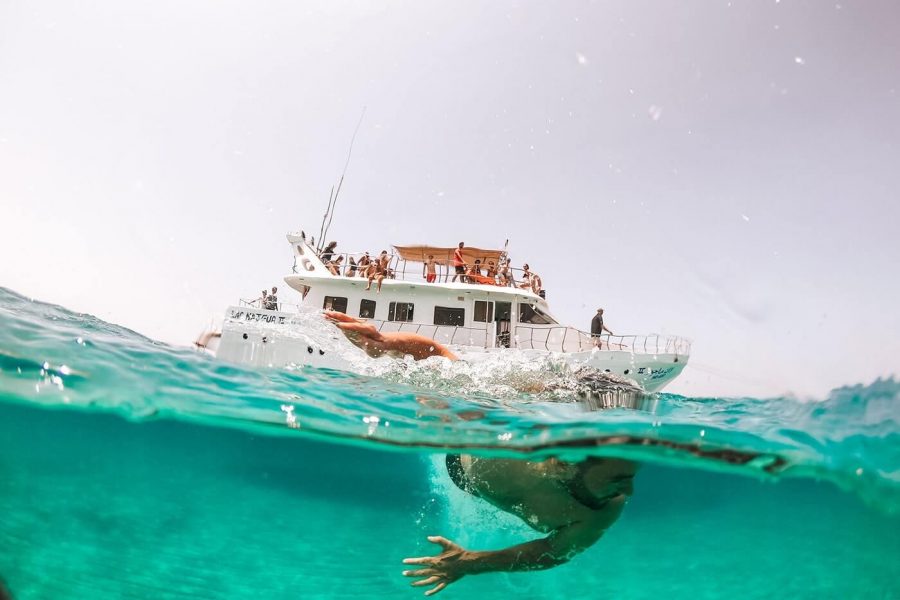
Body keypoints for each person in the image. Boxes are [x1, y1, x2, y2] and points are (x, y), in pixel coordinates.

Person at [323, 311, 637, 595]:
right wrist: (382, 342)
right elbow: (437, 357)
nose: (629, 490)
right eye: (619, 479)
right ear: (563, 464)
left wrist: (469, 562)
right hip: (460, 464)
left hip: (484, 476)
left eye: (632, 475)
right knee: (442, 405)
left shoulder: (603, 511)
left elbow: (550, 553)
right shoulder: (505, 426)